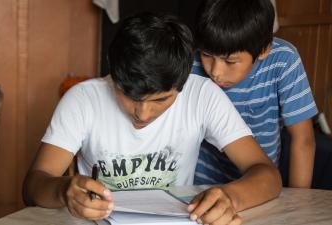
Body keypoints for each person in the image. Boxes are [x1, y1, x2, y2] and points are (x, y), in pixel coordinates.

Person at [23, 12, 281, 225]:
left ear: (183, 84)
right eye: (129, 95)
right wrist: (63, 190)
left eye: (160, 100)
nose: (142, 114)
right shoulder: (83, 99)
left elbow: (267, 175)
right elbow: (34, 185)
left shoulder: (202, 95)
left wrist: (230, 197)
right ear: (114, 72)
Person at [192, 0, 318, 188]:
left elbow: (303, 139)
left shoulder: (284, 61)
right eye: (207, 55)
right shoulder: (192, 63)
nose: (216, 71)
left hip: (259, 186)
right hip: (201, 185)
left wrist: (299, 202)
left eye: (230, 61)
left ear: (264, 50)